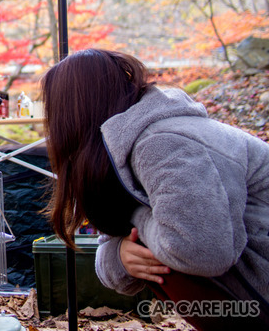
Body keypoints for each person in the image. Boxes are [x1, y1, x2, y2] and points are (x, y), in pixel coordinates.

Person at [41, 48, 269, 330]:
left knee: (172, 246)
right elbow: (109, 248)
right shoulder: (119, 149)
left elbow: (203, 250)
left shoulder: (160, 141)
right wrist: (121, 256)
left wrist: (138, 221)